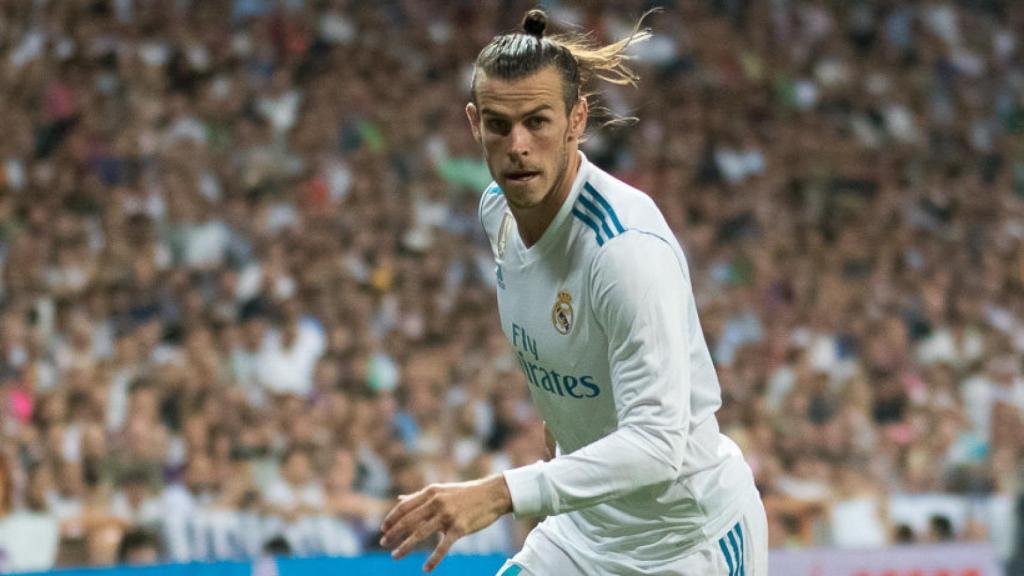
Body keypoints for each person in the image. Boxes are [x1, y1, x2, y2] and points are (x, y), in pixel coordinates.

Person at [380, 9, 767, 575]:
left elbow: (659, 444)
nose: (517, 146)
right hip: (584, 534)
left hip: (686, 543)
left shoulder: (625, 249)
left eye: (537, 121)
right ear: (473, 122)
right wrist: (566, 420)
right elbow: (565, 337)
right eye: (498, 124)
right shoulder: (499, 212)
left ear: (576, 120)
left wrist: (502, 492)